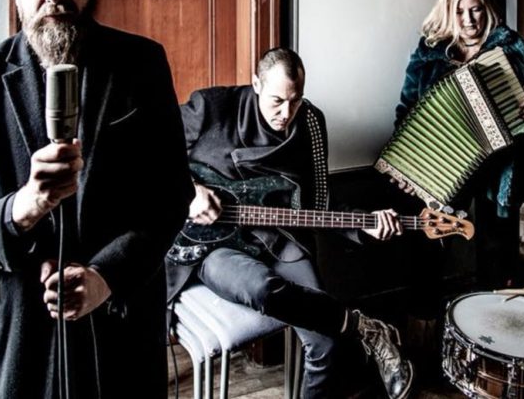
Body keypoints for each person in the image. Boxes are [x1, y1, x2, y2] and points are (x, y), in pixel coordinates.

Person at [0, 0, 194, 399]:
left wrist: (104, 276)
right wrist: (22, 206)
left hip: (117, 333)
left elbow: (171, 195)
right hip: (17, 344)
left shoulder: (142, 64)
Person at [166, 47, 414, 399]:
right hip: (214, 245)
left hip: (279, 236)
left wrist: (364, 224)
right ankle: (361, 326)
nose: (285, 113)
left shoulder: (310, 123)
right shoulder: (212, 107)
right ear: (256, 83)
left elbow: (318, 200)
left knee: (325, 342)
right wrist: (191, 190)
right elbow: (149, 148)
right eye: (276, 101)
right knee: (262, 288)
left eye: (295, 101)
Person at [394, 0, 524, 288]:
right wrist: (405, 162)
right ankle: (425, 317)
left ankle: (493, 317)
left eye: (476, 10)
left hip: (500, 167)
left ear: (487, 10)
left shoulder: (511, 46)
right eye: (460, 12)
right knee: (430, 243)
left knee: (496, 250)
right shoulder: (429, 53)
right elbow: (405, 110)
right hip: (444, 164)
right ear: (447, 13)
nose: (469, 20)